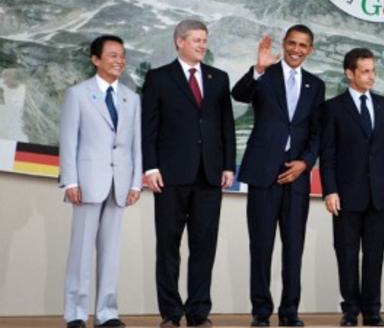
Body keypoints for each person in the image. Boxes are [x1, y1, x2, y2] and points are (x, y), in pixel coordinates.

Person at [142, 19, 236, 328]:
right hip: (170, 176)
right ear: (179, 42)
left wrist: (228, 165)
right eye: (197, 40)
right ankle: (171, 313)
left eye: (205, 40)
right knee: (168, 247)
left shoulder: (218, 78)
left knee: (204, 247)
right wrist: (150, 167)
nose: (202, 45)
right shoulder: (158, 78)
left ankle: (198, 312)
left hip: (209, 176)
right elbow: (148, 127)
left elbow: (226, 126)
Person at [231, 26, 325, 327]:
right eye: (292, 43)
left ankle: (289, 312)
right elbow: (239, 94)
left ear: (310, 49)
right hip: (263, 173)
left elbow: (317, 131)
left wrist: (305, 163)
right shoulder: (265, 74)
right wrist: (258, 69)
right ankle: (261, 312)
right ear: (284, 44)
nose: (296, 50)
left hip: (296, 176)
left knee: (294, 247)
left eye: (303, 45)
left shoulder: (315, 85)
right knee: (261, 246)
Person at [59, 35, 142, 328]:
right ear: (95, 60)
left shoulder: (132, 98)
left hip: (120, 184)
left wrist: (135, 183)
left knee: (111, 253)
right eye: (113, 55)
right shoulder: (78, 94)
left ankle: (107, 313)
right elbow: (68, 140)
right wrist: (70, 181)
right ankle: (76, 313)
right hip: (87, 183)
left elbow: (136, 145)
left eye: (122, 55)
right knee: (81, 252)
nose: (120, 60)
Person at [320, 48, 384, 328]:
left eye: (373, 70)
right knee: (346, 255)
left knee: (374, 256)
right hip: (345, 196)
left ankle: (372, 311)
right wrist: (330, 190)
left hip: (378, 196)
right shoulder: (333, 108)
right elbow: (327, 154)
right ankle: (350, 311)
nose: (371, 76)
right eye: (365, 71)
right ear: (350, 73)